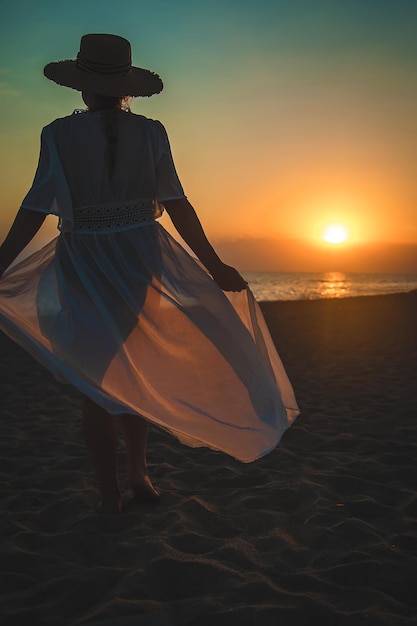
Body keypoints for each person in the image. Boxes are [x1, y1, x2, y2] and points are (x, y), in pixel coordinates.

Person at [0, 34, 299, 514]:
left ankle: (110, 492)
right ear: (125, 87)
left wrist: (2, 262)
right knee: (129, 364)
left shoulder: (57, 133)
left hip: (85, 259)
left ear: (82, 86)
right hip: (142, 256)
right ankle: (139, 472)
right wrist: (213, 264)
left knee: (94, 380)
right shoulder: (152, 131)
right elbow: (179, 204)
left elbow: (35, 207)